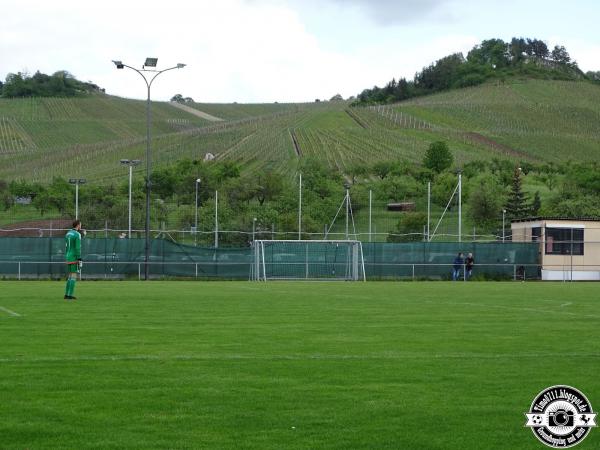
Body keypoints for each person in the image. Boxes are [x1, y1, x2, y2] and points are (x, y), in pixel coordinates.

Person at [64, 219, 83, 300]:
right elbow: (78, 247)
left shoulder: (68, 233)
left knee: (69, 276)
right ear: (78, 225)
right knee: (73, 276)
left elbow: (66, 246)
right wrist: (79, 258)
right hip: (74, 256)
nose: (81, 226)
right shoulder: (77, 234)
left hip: (68, 256)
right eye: (80, 224)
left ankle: (66, 294)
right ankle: (70, 295)